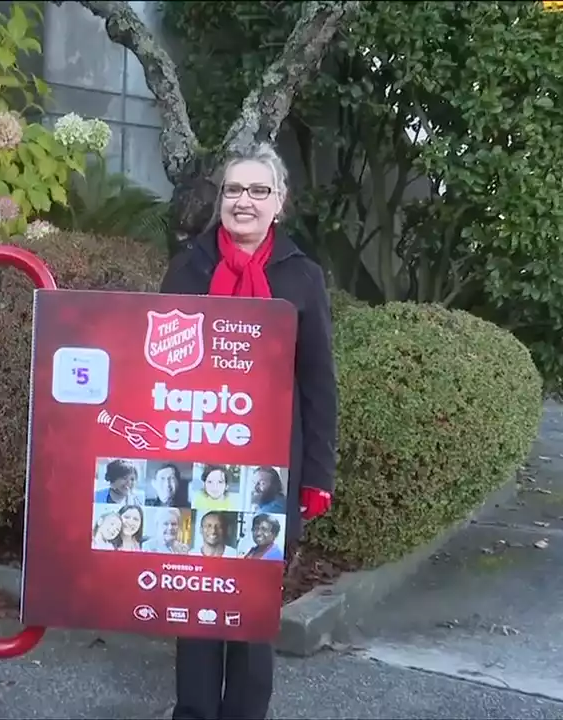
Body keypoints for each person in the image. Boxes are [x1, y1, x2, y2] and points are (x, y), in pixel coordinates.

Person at [159, 142, 338, 720]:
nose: (245, 201)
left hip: (269, 473)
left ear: (279, 203)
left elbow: (318, 386)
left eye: (259, 190)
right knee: (196, 601)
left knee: (252, 611)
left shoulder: (302, 277)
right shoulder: (188, 267)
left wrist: (316, 477)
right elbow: (151, 364)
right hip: (193, 463)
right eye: (234, 189)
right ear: (221, 199)